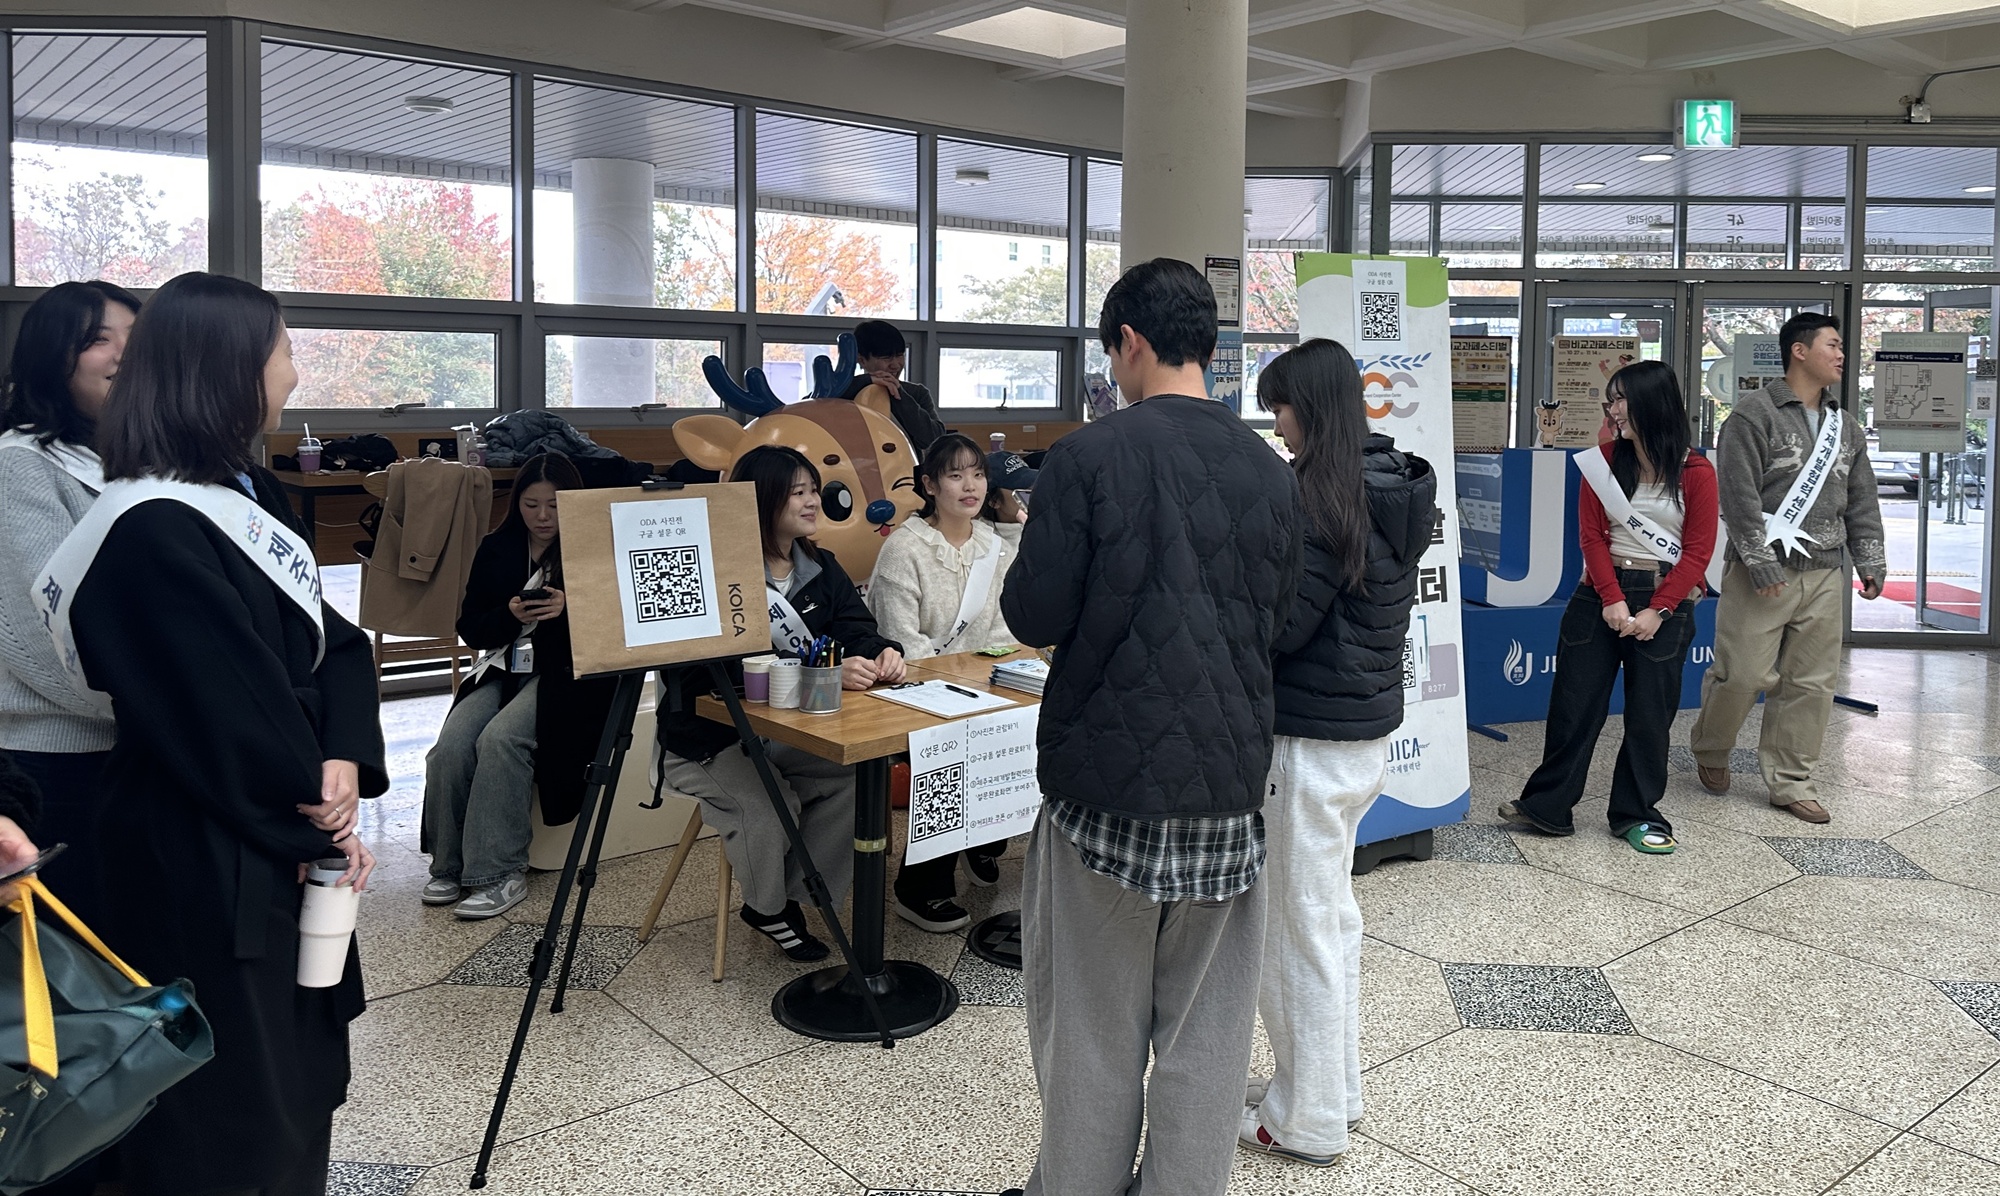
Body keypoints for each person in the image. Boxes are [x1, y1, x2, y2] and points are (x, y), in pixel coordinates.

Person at [43, 271, 383, 1195]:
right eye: (284, 354)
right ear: (228, 372)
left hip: (271, 831)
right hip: (200, 852)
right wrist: (319, 818)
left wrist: (344, 753)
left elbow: (339, 644)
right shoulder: (150, 528)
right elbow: (230, 720)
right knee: (231, 1104)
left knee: (294, 1082)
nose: (295, 375)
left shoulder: (252, 496)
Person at [999, 258, 1303, 1196]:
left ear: (1130, 343)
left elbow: (1033, 615)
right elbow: (1282, 627)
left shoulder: (1089, 458)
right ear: (1208, 344)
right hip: (1225, 792)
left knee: (1091, 1029)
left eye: (1112, 354)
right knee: (1207, 1040)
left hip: (1103, 796)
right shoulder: (1270, 471)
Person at [1239, 338, 1435, 1168]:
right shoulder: (1389, 485)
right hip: (1359, 741)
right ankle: (1335, 1087)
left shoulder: (1319, 500)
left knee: (1297, 933)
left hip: (1307, 743)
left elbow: (1283, 627)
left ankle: (1306, 1117)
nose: (1277, 426)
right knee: (1333, 923)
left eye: (1281, 408)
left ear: (1309, 408)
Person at [656, 445, 906, 960]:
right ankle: (768, 907)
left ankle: (798, 893)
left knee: (858, 780)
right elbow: (699, 673)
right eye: (799, 492)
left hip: (794, 731)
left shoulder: (820, 565)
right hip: (709, 738)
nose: (814, 501)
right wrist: (824, 670)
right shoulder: (713, 570)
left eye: (814, 489)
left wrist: (882, 652)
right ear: (762, 499)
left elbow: (856, 628)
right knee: (771, 807)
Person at [1500, 361, 1717, 854]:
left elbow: (1698, 552)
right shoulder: (1601, 461)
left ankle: (1636, 814)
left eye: (1620, 400)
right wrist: (1613, 598)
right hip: (1598, 595)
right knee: (1574, 706)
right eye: (1610, 400)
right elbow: (1592, 537)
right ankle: (1547, 807)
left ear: (1651, 403)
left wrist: (1657, 610)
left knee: (1649, 716)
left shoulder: (1696, 472)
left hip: (1668, 604)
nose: (1612, 410)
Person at [1690, 312, 1884, 824]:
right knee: (1744, 674)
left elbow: (1862, 499)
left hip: (1825, 572)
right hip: (1762, 574)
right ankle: (1711, 748)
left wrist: (1870, 560)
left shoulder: (1847, 426)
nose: (1842, 355)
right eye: (1834, 345)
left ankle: (1791, 779)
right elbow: (1737, 495)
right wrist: (1758, 561)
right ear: (1799, 351)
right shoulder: (1754, 415)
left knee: (1811, 683)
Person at [422, 452, 616, 920]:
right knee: (450, 746)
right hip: (503, 664)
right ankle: (448, 865)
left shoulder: (595, 546)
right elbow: (471, 627)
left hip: (567, 673)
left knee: (502, 739)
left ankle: (498, 871)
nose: (543, 517)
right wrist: (508, 616)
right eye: (532, 505)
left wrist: (571, 607)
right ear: (517, 504)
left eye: (554, 505)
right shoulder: (498, 547)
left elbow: (617, 626)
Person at [0, 280, 139, 929]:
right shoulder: (22, 466)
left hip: (133, 747)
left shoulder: (126, 463)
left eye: (135, 341)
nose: (121, 356)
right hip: (59, 764)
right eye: (97, 340)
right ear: (53, 356)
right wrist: (170, 713)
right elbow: (40, 642)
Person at [867, 433, 1017, 932]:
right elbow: (901, 645)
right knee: (953, 748)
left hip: (979, 685)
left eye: (977, 474)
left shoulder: (993, 548)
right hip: (910, 692)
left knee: (1032, 731)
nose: (970, 486)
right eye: (955, 475)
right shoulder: (904, 550)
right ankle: (920, 888)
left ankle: (982, 841)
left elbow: (1002, 633)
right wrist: (961, 686)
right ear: (930, 484)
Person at [843, 319, 947, 452]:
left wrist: (900, 395)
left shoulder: (917, 393)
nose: (896, 365)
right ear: (862, 360)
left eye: (900, 355)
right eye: (886, 358)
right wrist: (865, 381)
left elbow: (935, 439)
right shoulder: (845, 391)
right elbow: (812, 405)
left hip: (907, 470)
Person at [983, 449, 1036, 548]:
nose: (1031, 494)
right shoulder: (982, 540)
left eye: (1032, 486)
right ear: (994, 501)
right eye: (1021, 489)